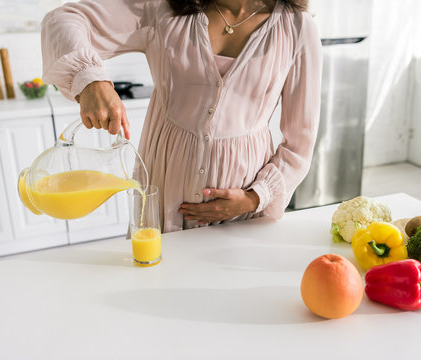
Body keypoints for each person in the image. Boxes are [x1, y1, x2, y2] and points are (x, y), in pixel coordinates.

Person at [41, 0, 322, 233]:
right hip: (164, 189)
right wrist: (91, 81)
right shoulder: (163, 8)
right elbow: (64, 19)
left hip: (243, 206)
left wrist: (255, 197)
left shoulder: (297, 28)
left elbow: (300, 143)